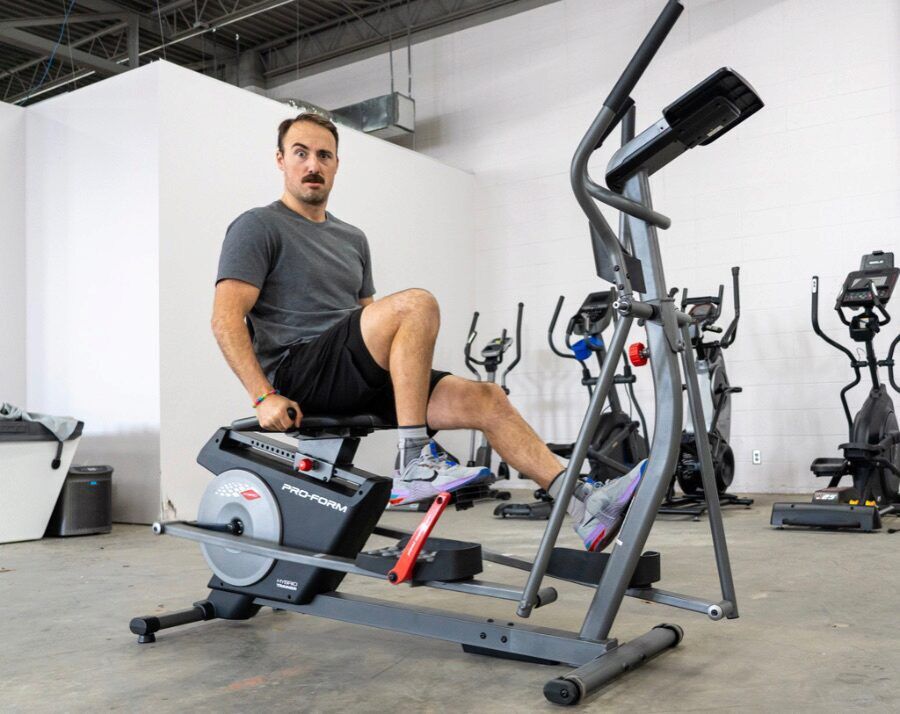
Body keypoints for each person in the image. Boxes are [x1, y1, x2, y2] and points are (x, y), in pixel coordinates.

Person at [211, 113, 646, 551]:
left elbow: (367, 317)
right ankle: (413, 461)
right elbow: (226, 319)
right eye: (301, 154)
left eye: (324, 155)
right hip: (301, 372)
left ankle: (583, 504)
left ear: (337, 164)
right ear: (281, 160)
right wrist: (263, 396)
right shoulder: (258, 226)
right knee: (417, 303)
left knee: (488, 398)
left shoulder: (351, 238)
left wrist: (402, 369)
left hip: (349, 370)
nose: (313, 165)